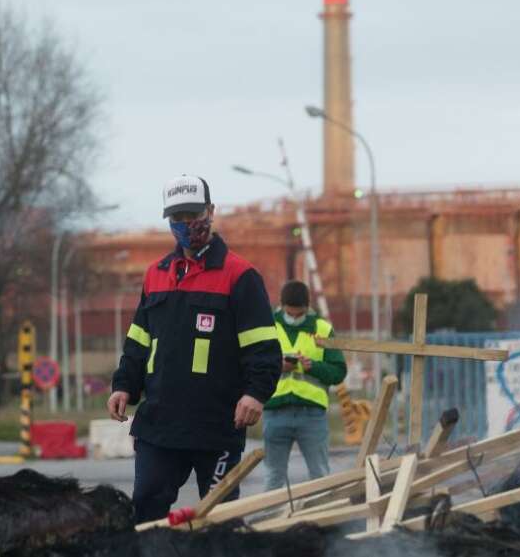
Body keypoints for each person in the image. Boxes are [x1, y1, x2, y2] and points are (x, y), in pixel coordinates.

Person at [108, 175, 281, 523]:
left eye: (193, 214)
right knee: (145, 508)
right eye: (177, 218)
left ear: (211, 211)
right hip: (160, 425)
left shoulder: (240, 275)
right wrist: (124, 385)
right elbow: (139, 340)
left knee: (220, 520)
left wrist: (256, 394)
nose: (186, 225)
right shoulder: (156, 274)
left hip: (216, 424)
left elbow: (263, 346)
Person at [262, 280, 346, 490]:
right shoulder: (267, 326)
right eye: (291, 313)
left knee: (320, 477)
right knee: (273, 477)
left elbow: (338, 372)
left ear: (307, 307)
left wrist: (313, 367)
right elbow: (249, 366)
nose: (295, 317)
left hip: (312, 416)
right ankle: (268, 522)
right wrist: (276, 366)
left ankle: (323, 521)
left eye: (299, 314)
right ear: (281, 305)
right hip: (275, 414)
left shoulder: (322, 329)